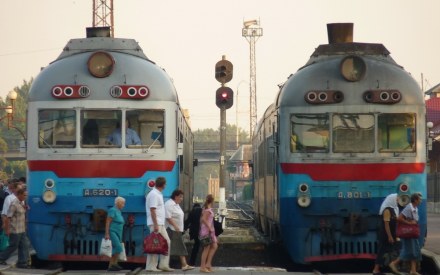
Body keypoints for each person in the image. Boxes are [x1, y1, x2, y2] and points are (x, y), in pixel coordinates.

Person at [388, 193, 423, 275]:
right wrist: (409, 223)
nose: (421, 201)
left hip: (412, 233)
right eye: (419, 199)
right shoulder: (408, 208)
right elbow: (399, 218)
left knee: (415, 251)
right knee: (408, 251)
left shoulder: (415, 208)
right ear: (415, 200)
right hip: (408, 233)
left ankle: (413, 270)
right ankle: (394, 263)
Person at [145, 177, 174, 272]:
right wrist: (156, 224)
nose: (166, 185)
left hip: (159, 223)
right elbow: (152, 210)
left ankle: (163, 264)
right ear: (163, 184)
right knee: (155, 244)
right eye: (165, 184)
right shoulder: (154, 195)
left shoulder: (157, 194)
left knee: (165, 242)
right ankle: (151, 266)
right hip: (156, 223)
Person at [165, 190, 194, 271]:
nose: (182, 198)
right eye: (180, 197)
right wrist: (175, 226)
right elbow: (168, 217)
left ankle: (183, 264)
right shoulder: (169, 204)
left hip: (177, 229)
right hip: (172, 229)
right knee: (179, 246)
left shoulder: (176, 205)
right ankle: (184, 265)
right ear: (176, 196)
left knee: (176, 246)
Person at [0, 188, 30, 268]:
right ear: (19, 195)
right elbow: (8, 218)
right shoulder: (14, 204)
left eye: (26, 195)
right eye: (24, 195)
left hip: (22, 229)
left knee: (24, 245)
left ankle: (22, 263)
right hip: (15, 229)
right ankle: (1, 258)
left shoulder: (22, 203)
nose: (25, 197)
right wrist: (7, 229)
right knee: (13, 246)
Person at [372, 193, 400, 275]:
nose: (398, 200)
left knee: (394, 249)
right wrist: (390, 236)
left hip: (392, 234)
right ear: (391, 200)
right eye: (396, 199)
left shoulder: (394, 209)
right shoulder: (387, 210)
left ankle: (392, 265)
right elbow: (386, 224)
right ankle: (376, 270)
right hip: (386, 235)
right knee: (382, 251)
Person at [105, 196, 126, 272]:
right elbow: (108, 222)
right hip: (113, 231)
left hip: (118, 232)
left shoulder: (118, 211)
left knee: (116, 248)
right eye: (122, 203)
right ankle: (114, 264)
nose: (123, 205)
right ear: (118, 203)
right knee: (118, 247)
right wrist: (107, 233)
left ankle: (112, 265)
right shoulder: (112, 210)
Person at [199, 194, 218, 273]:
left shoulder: (207, 208)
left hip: (210, 230)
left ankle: (208, 264)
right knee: (206, 248)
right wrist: (209, 227)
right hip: (207, 231)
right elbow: (203, 219)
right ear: (212, 201)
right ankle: (202, 267)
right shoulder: (208, 210)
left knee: (214, 245)